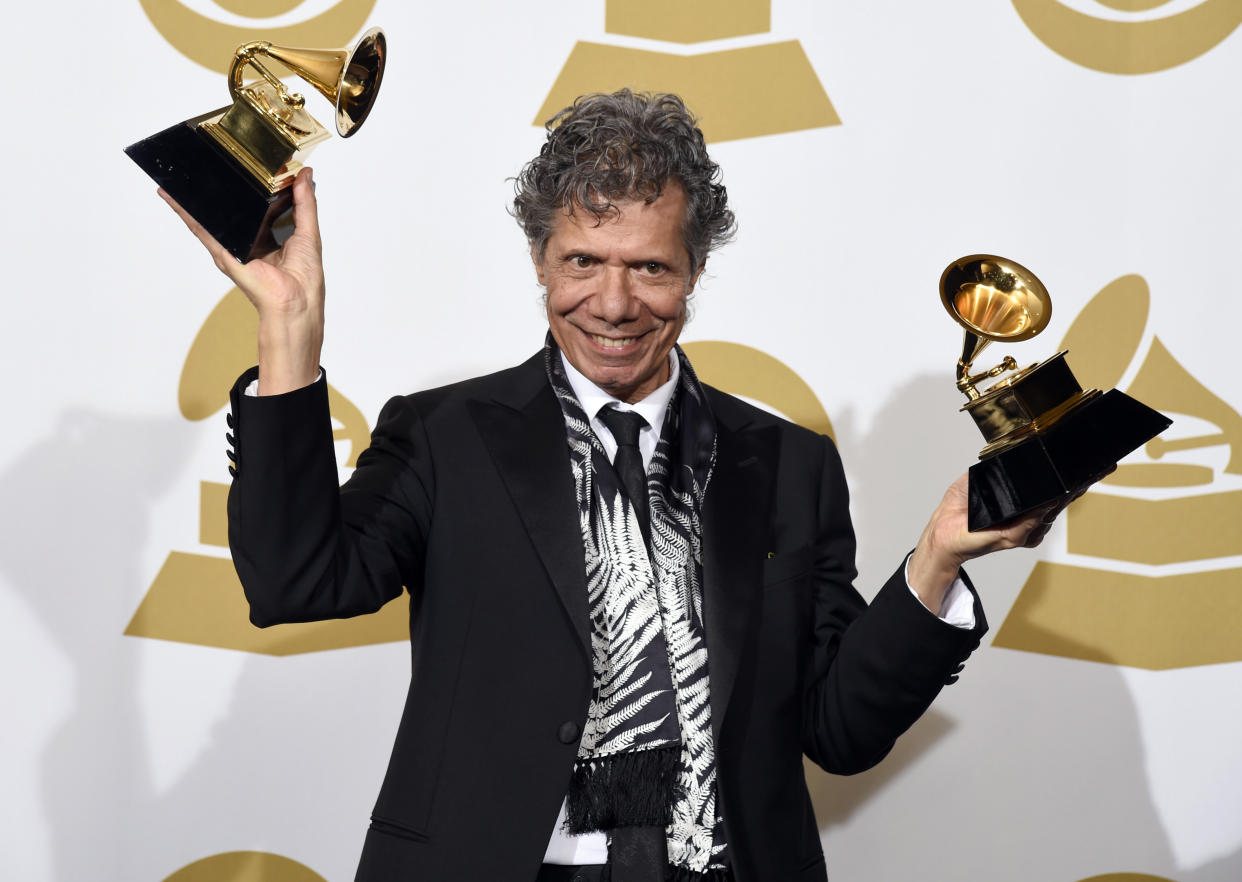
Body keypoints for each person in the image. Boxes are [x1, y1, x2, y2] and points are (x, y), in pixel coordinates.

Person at [164, 90, 1066, 882]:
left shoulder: (788, 463)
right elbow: (293, 584)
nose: (614, 303)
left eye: (651, 267)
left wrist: (939, 559)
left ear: (696, 271)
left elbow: (838, 731)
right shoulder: (446, 436)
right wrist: (288, 331)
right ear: (540, 260)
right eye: (582, 262)